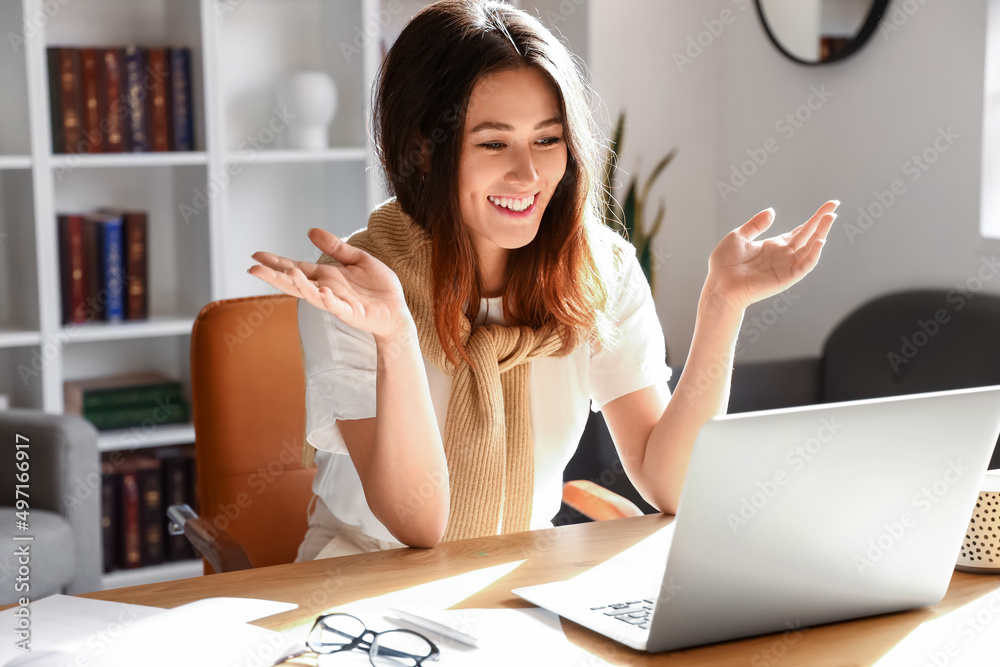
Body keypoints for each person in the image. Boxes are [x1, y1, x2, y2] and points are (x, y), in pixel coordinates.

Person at [248, 0, 838, 561]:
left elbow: (672, 485)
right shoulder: (357, 288)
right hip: (364, 586)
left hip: (521, 580)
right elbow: (416, 524)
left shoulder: (597, 270)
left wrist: (722, 306)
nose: (528, 174)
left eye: (548, 139)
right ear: (424, 150)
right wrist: (397, 335)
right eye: (494, 142)